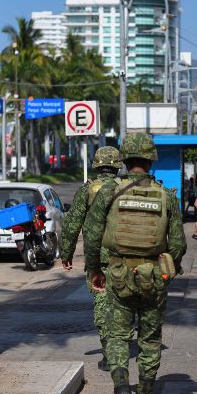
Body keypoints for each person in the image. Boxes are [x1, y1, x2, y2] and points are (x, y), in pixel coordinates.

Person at [84, 133, 186, 394]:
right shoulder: (166, 195)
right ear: (151, 158)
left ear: (125, 159)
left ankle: (121, 392)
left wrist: (95, 270)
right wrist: (168, 268)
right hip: (153, 278)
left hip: (117, 275)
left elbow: (91, 236)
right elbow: (177, 244)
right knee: (150, 339)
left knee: (118, 337)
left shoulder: (108, 192)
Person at [60, 146, 123, 372]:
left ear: (96, 165)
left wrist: (65, 253)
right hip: (126, 258)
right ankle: (121, 346)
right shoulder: (126, 187)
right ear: (117, 165)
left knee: (103, 304)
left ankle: (109, 354)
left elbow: (71, 224)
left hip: (99, 258)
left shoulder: (89, 189)